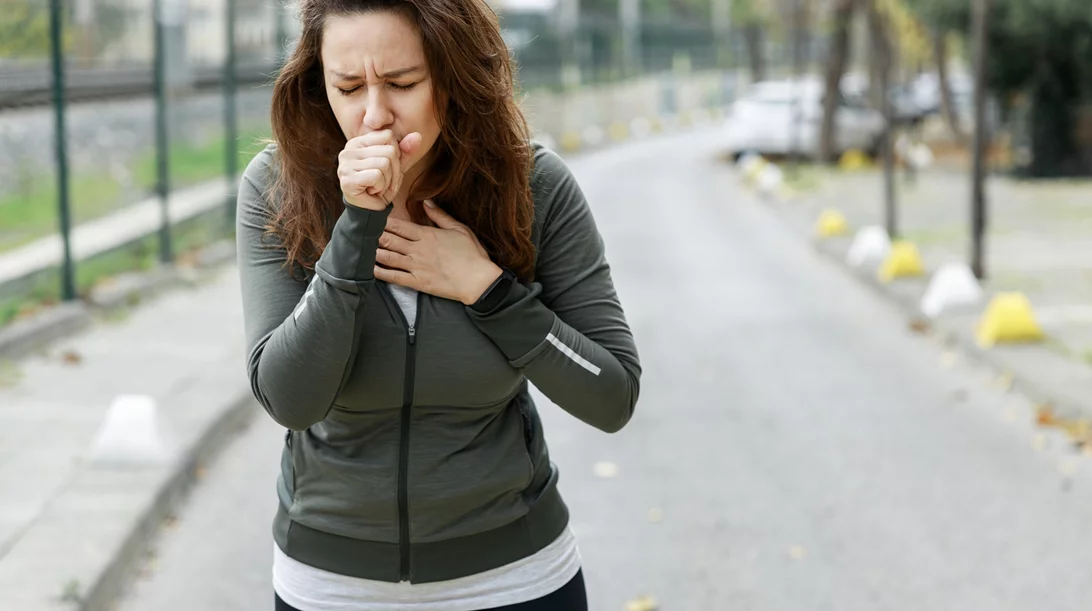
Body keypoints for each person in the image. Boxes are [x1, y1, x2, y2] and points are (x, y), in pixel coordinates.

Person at [236, 0, 641, 608]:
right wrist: (357, 227)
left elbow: (612, 396)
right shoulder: (279, 187)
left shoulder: (533, 185)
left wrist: (488, 290)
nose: (374, 115)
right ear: (320, 86)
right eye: (348, 87)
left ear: (453, 78)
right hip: (332, 587)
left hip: (518, 577)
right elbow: (289, 399)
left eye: (402, 84)